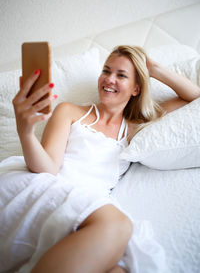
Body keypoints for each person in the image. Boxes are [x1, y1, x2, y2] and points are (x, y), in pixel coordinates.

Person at [1, 45, 200, 273]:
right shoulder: (69, 111)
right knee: (117, 227)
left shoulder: (134, 128)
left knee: (120, 270)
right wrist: (25, 133)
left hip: (90, 210)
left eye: (121, 75)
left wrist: (153, 68)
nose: (109, 79)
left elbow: (193, 97)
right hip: (53, 191)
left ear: (136, 88)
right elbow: (48, 169)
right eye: (106, 71)